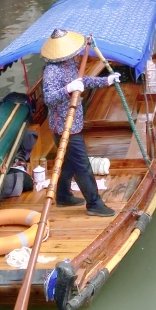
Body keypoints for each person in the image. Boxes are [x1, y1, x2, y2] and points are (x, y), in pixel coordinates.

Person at [41, 28, 120, 216]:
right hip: (64, 127)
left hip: (75, 122)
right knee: (82, 164)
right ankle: (94, 203)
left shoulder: (70, 64)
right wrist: (68, 89)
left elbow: (82, 80)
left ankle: (63, 196)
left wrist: (106, 81)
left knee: (69, 162)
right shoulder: (51, 72)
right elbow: (49, 98)